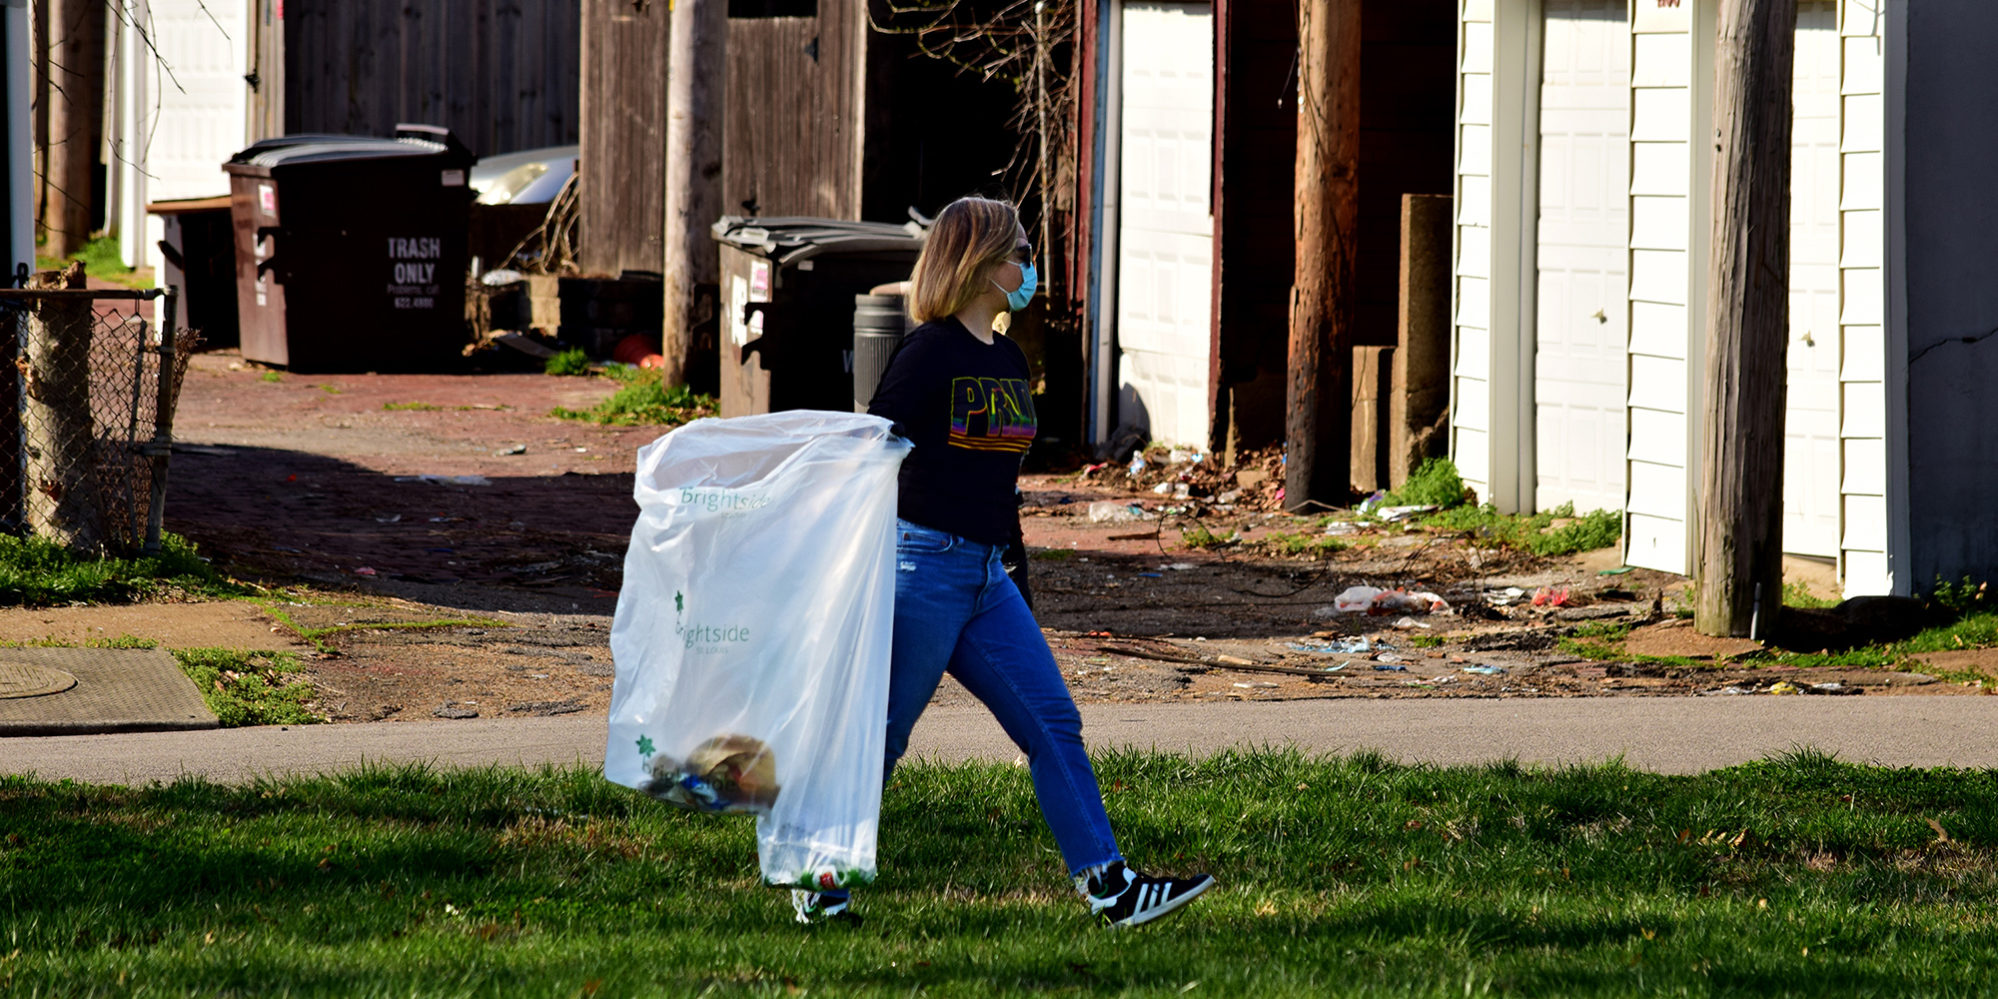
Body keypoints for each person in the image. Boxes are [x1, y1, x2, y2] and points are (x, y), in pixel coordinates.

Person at [790, 196, 1214, 928]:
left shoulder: (1009, 357)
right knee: (883, 733)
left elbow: (999, 481)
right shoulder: (927, 354)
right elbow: (869, 455)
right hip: (920, 568)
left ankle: (1109, 886)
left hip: (987, 578)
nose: (1029, 264)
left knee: (1052, 720)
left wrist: (1015, 575)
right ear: (980, 261)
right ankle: (817, 876)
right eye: (1018, 250)